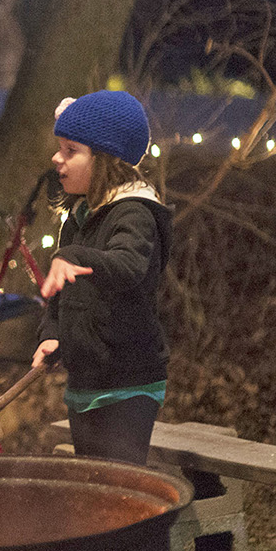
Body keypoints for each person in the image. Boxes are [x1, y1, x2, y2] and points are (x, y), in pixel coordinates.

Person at [32, 90, 172, 465]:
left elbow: (127, 266)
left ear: (106, 159)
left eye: (70, 150)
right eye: (59, 148)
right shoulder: (79, 216)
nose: (56, 158)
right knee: (93, 483)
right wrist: (51, 336)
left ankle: (149, 527)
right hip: (85, 381)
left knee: (121, 489)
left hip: (128, 382)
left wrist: (72, 255)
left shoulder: (135, 214)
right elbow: (61, 301)